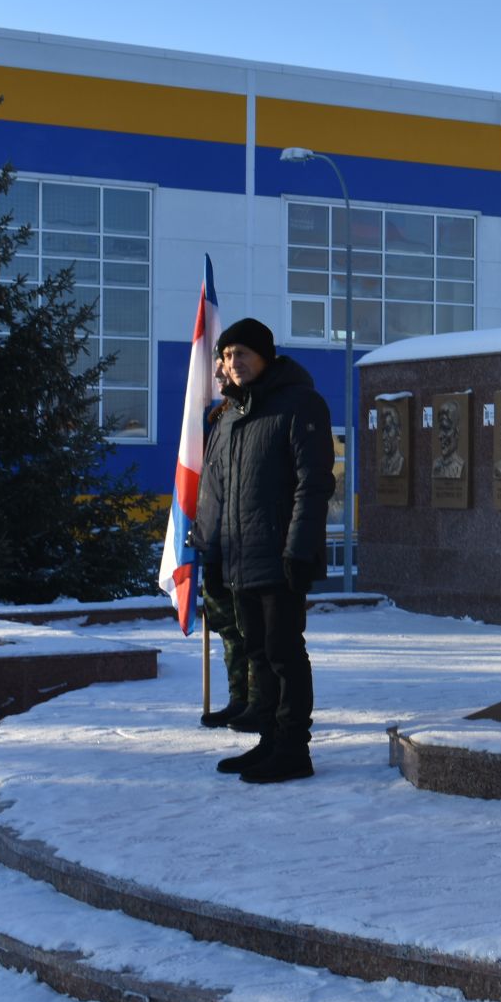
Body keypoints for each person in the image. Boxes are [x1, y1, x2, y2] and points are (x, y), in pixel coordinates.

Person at [196, 318, 335, 784]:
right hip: (238, 560)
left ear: (266, 357)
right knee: (256, 652)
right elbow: (214, 494)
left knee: (282, 652)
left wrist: (299, 550)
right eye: (228, 355)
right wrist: (211, 555)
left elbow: (314, 484)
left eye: (243, 354)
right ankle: (269, 740)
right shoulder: (229, 416)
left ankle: (295, 748)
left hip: (278, 558)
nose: (234, 363)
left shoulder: (300, 404)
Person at [199, 352, 254, 729]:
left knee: (250, 629)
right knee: (227, 629)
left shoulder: (249, 415)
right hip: (215, 538)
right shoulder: (217, 419)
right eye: (219, 362)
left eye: (227, 363)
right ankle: (239, 698)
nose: (219, 370)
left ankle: (260, 703)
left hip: (244, 542)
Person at [432, 399, 466, 478]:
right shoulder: (435, 465)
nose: (440, 436)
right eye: (440, 429)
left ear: (457, 432)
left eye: (446, 429)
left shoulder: (460, 466)